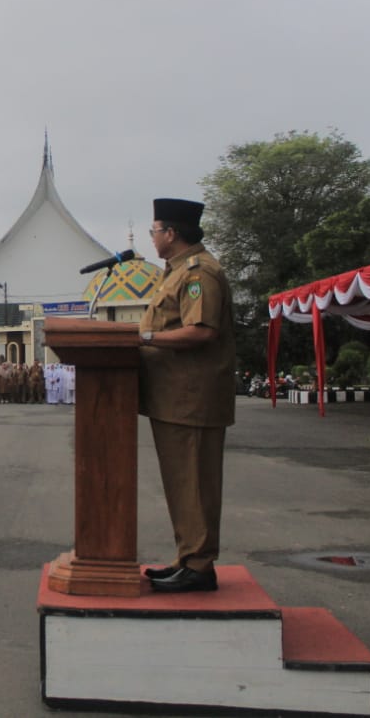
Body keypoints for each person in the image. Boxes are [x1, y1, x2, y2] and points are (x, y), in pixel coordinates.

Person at [138, 198, 236, 594]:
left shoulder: (200, 273)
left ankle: (199, 565)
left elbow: (202, 331)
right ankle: (187, 558)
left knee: (195, 482)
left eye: (155, 231)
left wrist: (144, 337)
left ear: (171, 234)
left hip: (192, 398)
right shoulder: (176, 272)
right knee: (182, 482)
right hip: (174, 398)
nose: (153, 238)